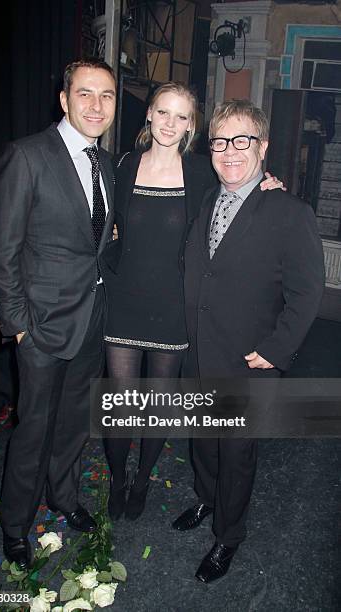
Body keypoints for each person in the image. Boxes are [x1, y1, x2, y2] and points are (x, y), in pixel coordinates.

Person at [100, 83, 284, 522]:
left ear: (192, 125)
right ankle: (118, 478)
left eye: (181, 116)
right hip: (124, 302)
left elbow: (243, 189)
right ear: (149, 115)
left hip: (174, 308)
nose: (170, 123)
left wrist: (271, 184)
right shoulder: (123, 165)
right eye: (163, 112)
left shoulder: (203, 172)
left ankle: (142, 481)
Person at [172, 99, 325, 583]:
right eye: (220, 141)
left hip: (249, 360)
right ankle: (206, 499)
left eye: (242, 141)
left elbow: (307, 293)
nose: (230, 151)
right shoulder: (207, 198)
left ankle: (227, 535)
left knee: (236, 453)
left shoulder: (289, 211)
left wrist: (277, 351)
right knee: (203, 442)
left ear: (261, 147)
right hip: (200, 349)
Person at [0, 59, 116, 569]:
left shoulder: (104, 164)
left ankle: (63, 498)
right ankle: (15, 525)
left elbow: (95, 245)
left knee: (73, 425)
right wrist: (17, 324)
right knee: (34, 429)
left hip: (92, 320)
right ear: (64, 99)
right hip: (39, 326)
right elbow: (1, 251)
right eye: (85, 93)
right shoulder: (26, 156)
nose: (97, 105)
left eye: (106, 95)